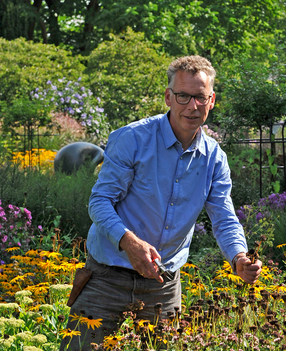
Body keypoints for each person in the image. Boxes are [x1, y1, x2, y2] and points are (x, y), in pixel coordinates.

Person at [60, 55, 262, 350]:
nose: (192, 106)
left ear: (212, 100)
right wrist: (129, 242)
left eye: (200, 97)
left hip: (163, 284)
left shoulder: (215, 159)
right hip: (106, 276)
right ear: (168, 96)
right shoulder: (132, 139)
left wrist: (239, 257)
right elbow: (100, 202)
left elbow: (224, 217)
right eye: (183, 96)